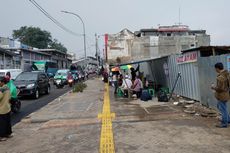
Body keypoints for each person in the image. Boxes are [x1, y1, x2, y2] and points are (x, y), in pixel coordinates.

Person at [211, 62, 230, 128]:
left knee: (222, 109)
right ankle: (228, 120)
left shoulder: (220, 77)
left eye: (215, 68)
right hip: (226, 94)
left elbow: (220, 88)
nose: (215, 70)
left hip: (222, 95)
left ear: (217, 68)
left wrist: (213, 87)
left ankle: (224, 123)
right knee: (222, 107)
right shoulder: (227, 74)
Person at [0, 76, 12, 141]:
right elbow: (10, 97)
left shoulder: (1, 89)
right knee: (7, 122)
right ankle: (8, 134)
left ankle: (1, 136)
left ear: (2, 82)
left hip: (2, 109)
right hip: (7, 107)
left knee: (2, 123)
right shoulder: (8, 88)